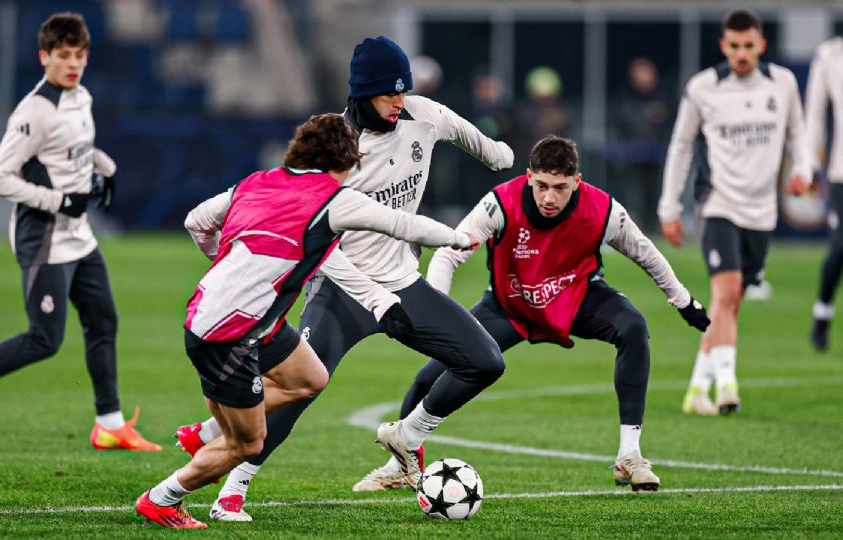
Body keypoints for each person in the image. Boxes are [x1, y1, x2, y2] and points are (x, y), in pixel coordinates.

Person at [173, 35, 515, 521]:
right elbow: (322, 249)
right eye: (387, 94)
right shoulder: (336, 152)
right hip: (340, 286)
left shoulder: (424, 113)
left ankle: (408, 435)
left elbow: (485, 148)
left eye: (403, 91)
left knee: (485, 361)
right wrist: (372, 297)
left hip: (402, 281)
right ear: (362, 94)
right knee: (301, 386)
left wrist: (502, 155)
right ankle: (235, 485)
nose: (399, 101)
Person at [133, 113, 478, 528]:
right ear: (345, 162)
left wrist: (219, 259)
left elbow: (196, 221)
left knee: (311, 378)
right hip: (226, 334)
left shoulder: (256, 182)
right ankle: (163, 499)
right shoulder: (334, 197)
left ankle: (206, 431)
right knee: (247, 443)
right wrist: (459, 238)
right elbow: (402, 224)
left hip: (253, 321)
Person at [355, 135, 709, 493]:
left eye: (560, 187)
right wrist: (438, 308)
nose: (549, 197)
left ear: (577, 182)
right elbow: (448, 253)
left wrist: (682, 301)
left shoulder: (604, 211)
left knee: (633, 327)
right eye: (541, 186)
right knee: (428, 377)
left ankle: (629, 456)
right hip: (510, 305)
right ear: (528, 177)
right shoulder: (500, 205)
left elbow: (645, 253)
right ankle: (399, 464)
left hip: (576, 298)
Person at [0, 12, 160, 452]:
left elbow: (77, 149)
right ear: (43, 57)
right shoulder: (34, 111)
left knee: (103, 321)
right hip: (44, 237)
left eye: (78, 55)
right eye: (62, 56)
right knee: (44, 340)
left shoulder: (81, 96)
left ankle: (109, 423)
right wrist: (56, 200)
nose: (72, 64)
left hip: (78, 234)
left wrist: (105, 168)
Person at [658, 9, 809, 416]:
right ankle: (727, 385)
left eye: (749, 46)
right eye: (734, 46)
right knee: (725, 293)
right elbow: (681, 146)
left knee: (732, 302)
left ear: (761, 44)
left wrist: (804, 169)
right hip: (718, 202)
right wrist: (669, 206)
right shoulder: (703, 88)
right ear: (724, 46)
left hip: (762, 210)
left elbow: (799, 133)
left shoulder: (784, 84)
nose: (742, 53)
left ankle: (696, 389)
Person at [806, 36, 843, 351]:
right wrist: (809, 165)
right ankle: (822, 313)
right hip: (841, 172)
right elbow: (815, 115)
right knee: (840, 246)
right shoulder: (830, 55)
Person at [610, 57, 673, 233]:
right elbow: (619, 123)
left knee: (655, 192)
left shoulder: (664, 96)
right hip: (630, 156)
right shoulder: (624, 96)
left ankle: (654, 228)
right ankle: (626, 228)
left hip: (657, 155)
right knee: (631, 192)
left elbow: (670, 123)